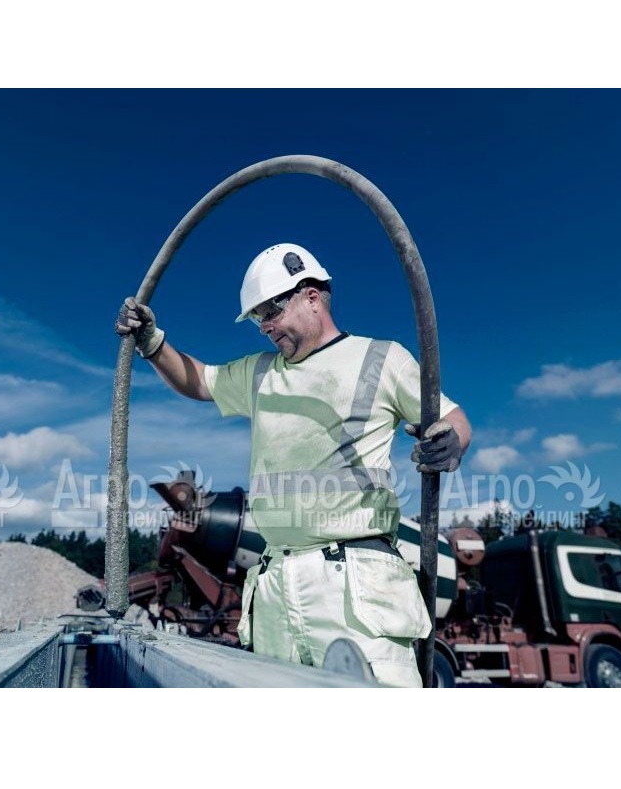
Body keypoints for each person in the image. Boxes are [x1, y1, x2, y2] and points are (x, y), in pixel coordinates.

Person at [116, 243, 471, 687]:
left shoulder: (381, 359)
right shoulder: (260, 373)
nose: (265, 327)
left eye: (271, 311)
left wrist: (450, 440)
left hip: (355, 586)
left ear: (311, 296)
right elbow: (200, 381)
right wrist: (152, 343)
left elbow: (453, 419)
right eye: (258, 319)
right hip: (275, 586)